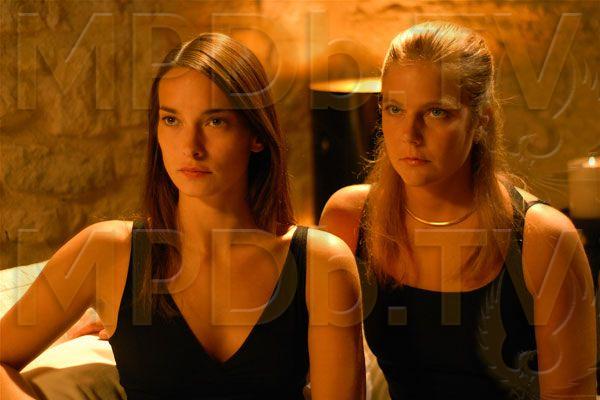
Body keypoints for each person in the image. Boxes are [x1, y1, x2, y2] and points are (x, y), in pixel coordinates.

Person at [1, 33, 365, 399]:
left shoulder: (321, 263)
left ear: (256, 134)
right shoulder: (106, 251)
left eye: (215, 121)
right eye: (172, 120)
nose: (191, 147)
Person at [319, 21, 596, 399]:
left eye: (436, 112)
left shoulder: (543, 240)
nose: (410, 135)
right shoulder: (349, 219)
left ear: (481, 119)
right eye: (395, 109)